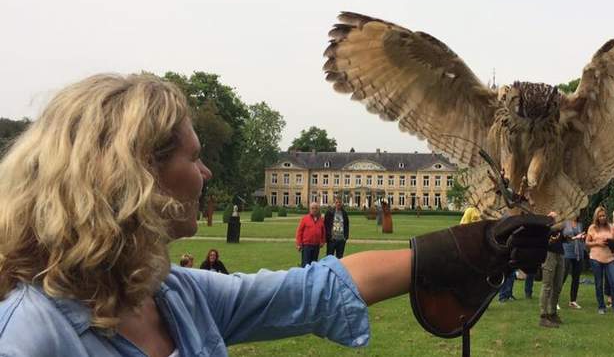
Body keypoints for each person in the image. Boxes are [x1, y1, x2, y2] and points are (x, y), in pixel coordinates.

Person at [0, 73, 554, 355]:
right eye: (194, 157)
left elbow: (310, 291)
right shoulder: (31, 334)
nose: (206, 174)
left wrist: (475, 244)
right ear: (133, 175)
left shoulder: (174, 296)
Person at [585, 206, 614, 316]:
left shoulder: (610, 227)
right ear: (596, 217)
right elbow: (587, 243)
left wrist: (612, 245)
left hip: (609, 258)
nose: (602, 217)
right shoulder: (592, 228)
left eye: (604, 215)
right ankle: (601, 307)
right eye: (600, 216)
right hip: (596, 258)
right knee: (598, 283)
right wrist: (598, 243)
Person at [538, 212, 566, 328]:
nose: (556, 218)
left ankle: (552, 313)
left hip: (560, 254)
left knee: (558, 286)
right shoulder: (544, 227)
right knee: (547, 285)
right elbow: (542, 238)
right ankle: (543, 316)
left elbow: (561, 238)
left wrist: (568, 238)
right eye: (553, 217)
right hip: (549, 255)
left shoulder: (559, 227)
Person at [561, 214, 586, 309]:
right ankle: (554, 299)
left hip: (578, 253)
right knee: (562, 276)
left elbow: (581, 237)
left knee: (576, 277)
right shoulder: (564, 223)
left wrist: (583, 237)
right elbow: (563, 236)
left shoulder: (580, 224)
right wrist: (575, 237)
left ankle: (573, 300)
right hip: (567, 252)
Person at [296, 201, 327, 267]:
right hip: (306, 245)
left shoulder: (320, 220)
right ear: (310, 209)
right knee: (306, 264)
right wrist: (299, 244)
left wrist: (322, 241)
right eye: (312, 208)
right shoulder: (305, 218)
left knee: (314, 264)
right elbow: (299, 231)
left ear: (318, 209)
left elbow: (323, 231)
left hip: (316, 245)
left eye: (316, 208)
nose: (314, 210)